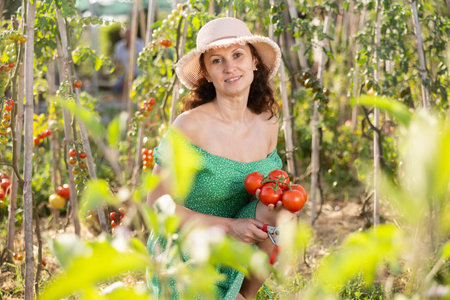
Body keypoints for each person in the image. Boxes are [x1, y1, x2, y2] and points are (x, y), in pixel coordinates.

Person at [147, 17, 290, 299]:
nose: (229, 67)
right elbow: (156, 207)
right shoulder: (189, 127)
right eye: (216, 60)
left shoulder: (267, 122)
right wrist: (228, 227)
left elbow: (269, 197)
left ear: (254, 62)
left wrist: (281, 215)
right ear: (207, 74)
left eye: (237, 55)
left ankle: (245, 294)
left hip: (241, 247)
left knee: (280, 207)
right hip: (190, 248)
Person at [113, 28, 144, 94]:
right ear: (123, 36)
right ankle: (120, 102)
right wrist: (118, 74)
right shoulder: (119, 47)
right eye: (126, 35)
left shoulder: (139, 44)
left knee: (139, 88)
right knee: (117, 87)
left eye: (130, 35)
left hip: (139, 73)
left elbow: (144, 60)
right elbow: (117, 62)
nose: (128, 37)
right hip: (126, 74)